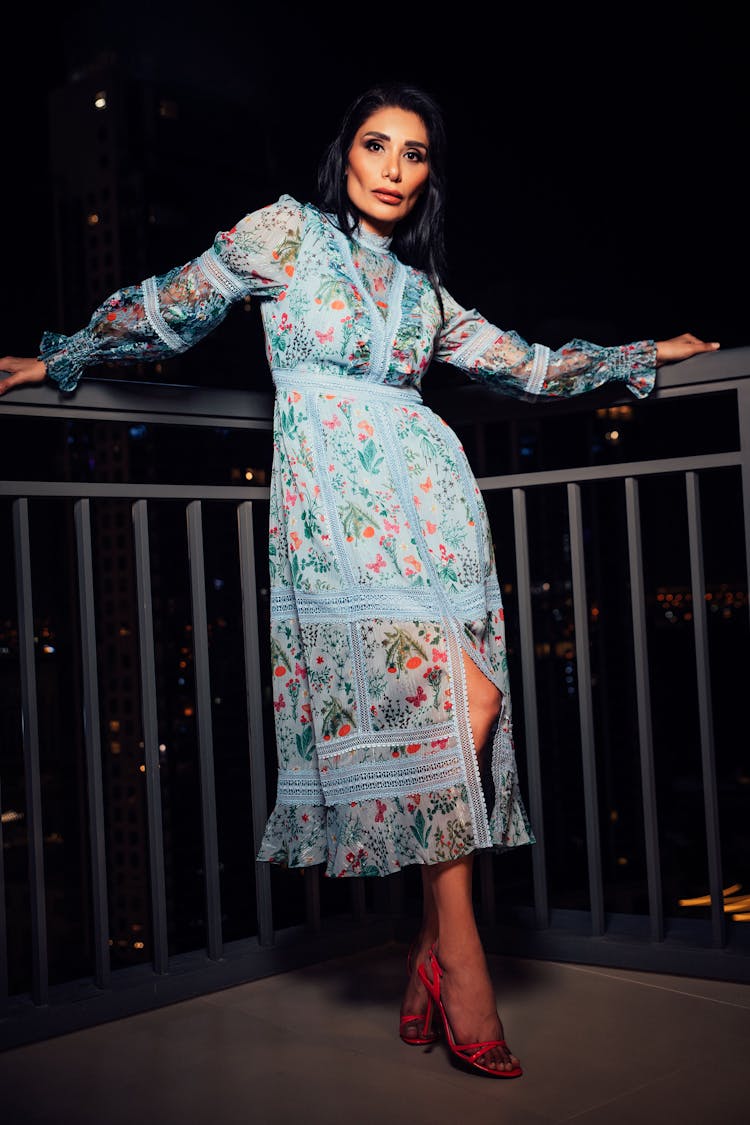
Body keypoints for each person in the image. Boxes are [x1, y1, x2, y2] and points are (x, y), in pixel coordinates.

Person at [0, 81, 719, 1079]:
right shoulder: (282, 235)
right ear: (344, 155)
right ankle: (459, 957)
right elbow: (175, 303)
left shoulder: (422, 292)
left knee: (474, 713)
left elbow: (525, 365)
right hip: (339, 516)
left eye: (413, 153)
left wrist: (641, 355)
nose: (391, 167)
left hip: (438, 514)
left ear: (428, 178)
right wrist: (58, 358)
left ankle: (430, 948)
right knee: (454, 707)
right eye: (376, 145)